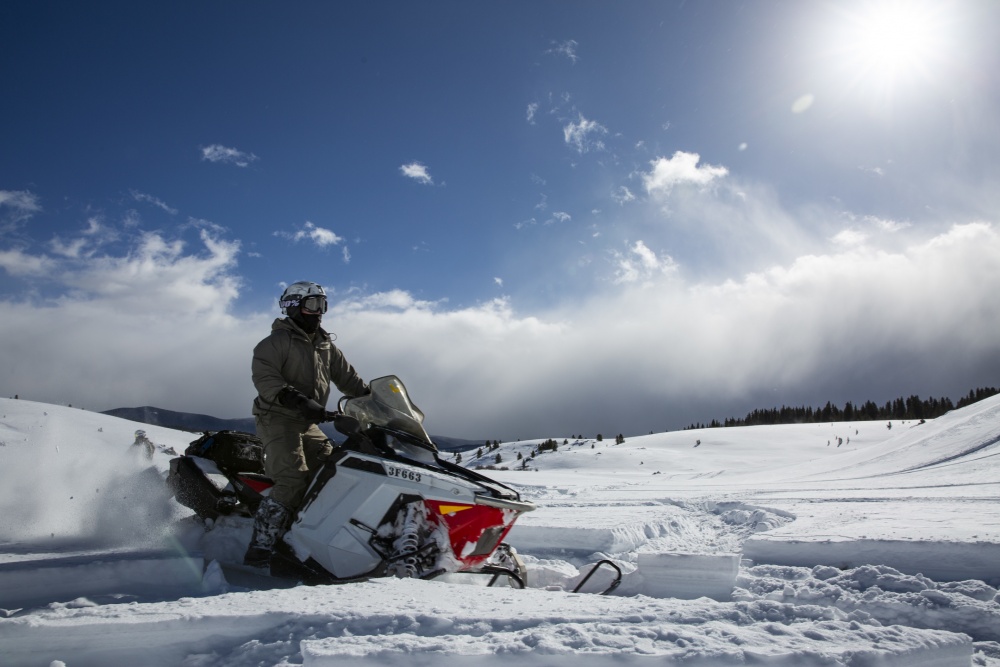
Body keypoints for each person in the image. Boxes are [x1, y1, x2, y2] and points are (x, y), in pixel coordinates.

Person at [243, 280, 368, 569]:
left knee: (334, 469)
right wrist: (297, 400)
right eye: (312, 305)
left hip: (308, 420)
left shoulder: (325, 346)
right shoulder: (274, 344)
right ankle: (261, 547)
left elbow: (349, 380)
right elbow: (267, 380)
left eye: (322, 305)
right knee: (291, 479)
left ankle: (311, 533)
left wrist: (373, 401)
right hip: (277, 416)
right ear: (293, 306)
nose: (319, 312)